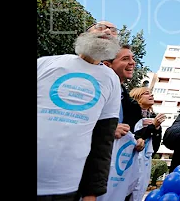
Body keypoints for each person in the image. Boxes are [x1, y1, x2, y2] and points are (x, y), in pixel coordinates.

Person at [37, 21, 123, 200]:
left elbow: (103, 140)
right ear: (84, 34)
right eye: (100, 27)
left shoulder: (112, 81)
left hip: (66, 188)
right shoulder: (45, 64)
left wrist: (92, 193)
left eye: (113, 30)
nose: (107, 31)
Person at [129, 87, 166, 201]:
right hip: (128, 160)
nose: (151, 95)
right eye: (146, 93)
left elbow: (155, 147)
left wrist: (157, 129)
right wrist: (151, 127)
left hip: (145, 162)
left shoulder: (152, 117)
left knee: (138, 192)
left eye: (151, 93)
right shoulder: (130, 115)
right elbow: (132, 136)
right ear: (137, 97)